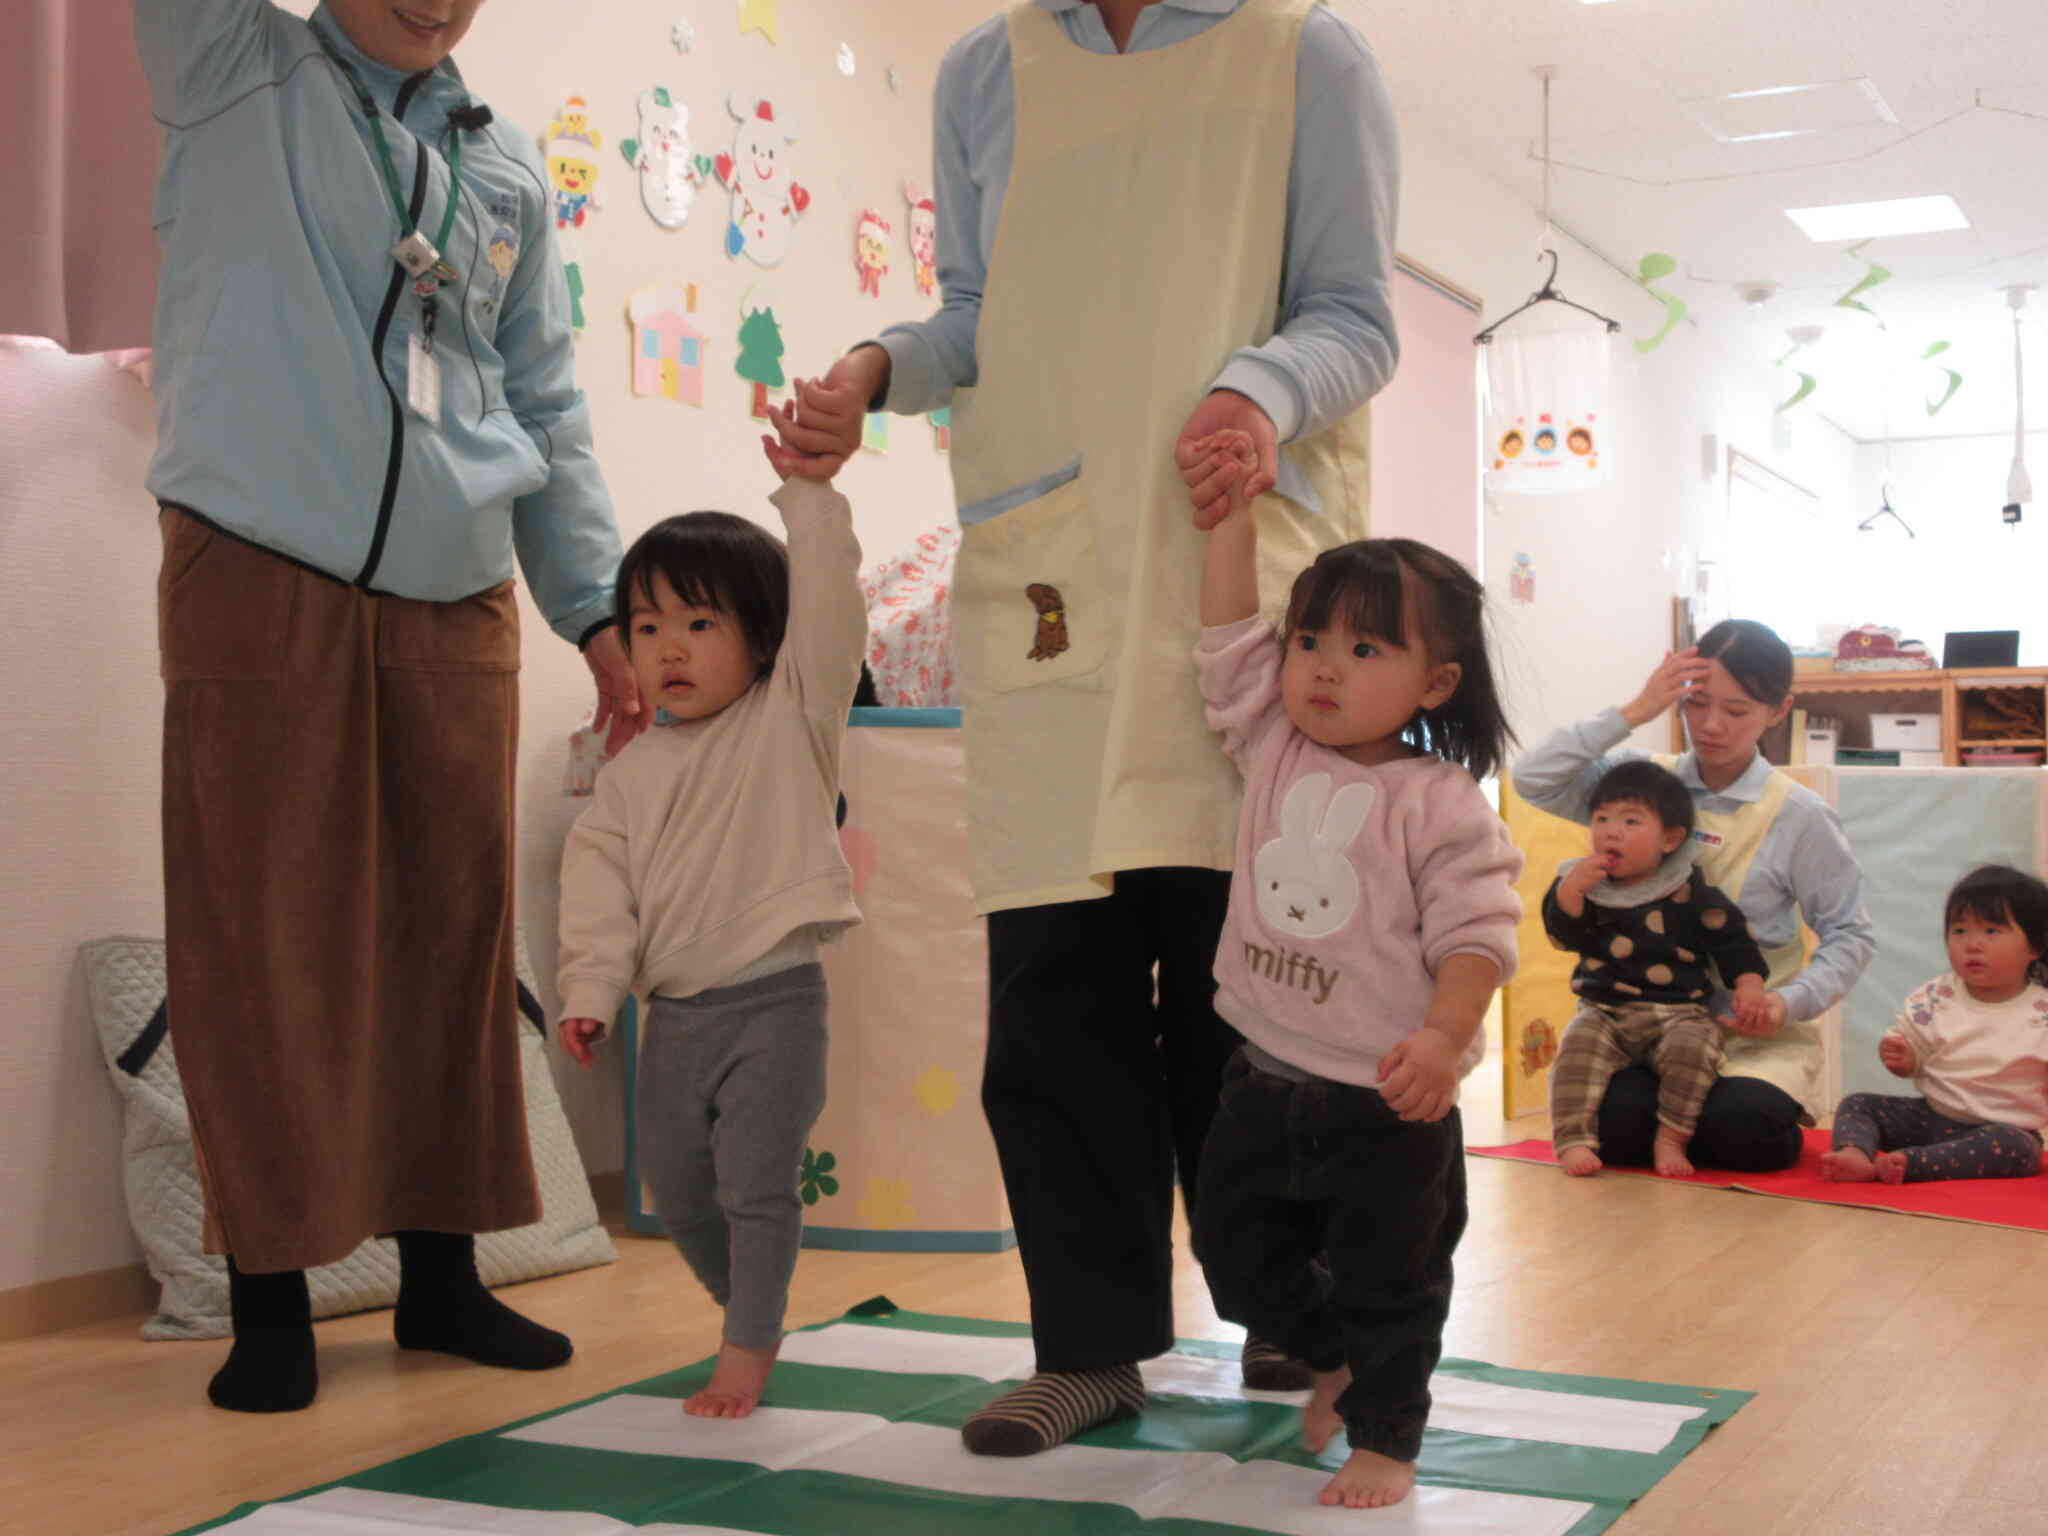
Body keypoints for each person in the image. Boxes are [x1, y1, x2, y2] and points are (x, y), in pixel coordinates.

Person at [770, 0, 1402, 1451]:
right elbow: (977, 322)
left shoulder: (1306, 55)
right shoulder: (985, 70)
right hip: (1051, 576)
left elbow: (1355, 318)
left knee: (1264, 1003)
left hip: (1235, 565)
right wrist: (877, 372)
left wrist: (1260, 385)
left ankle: (1297, 1318)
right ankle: (1089, 1345)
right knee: (1056, 998)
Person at [135, 0, 641, 1412]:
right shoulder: (228, 64)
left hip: (458, 576)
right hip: (255, 557)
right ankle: (273, 1296)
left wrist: (596, 614)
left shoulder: (507, 169)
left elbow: (544, 399)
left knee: (454, 925)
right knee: (261, 926)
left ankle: (442, 1275)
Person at [1186, 471, 1522, 1510]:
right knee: (1229, 1255)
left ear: (1433, 684)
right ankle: (1326, 1358)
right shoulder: (1269, 742)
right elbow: (1224, 632)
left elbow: (1477, 935)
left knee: (1393, 1279)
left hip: (1386, 1098)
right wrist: (1230, 520)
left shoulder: (1438, 802)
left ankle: (1385, 1435)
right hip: (1258, 1074)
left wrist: (1441, 1037)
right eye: (1309, 642)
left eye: (1364, 650)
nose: (1323, 670)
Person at [556, 390, 867, 1419]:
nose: (670, 648)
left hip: (775, 1003)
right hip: (674, 1016)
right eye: (647, 627)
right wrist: (590, 990)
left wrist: (809, 499)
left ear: (764, 639)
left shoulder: (792, 717)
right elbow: (596, 895)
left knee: (752, 1183)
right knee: (677, 1192)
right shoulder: (628, 776)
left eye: (699, 623)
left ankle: (745, 1347)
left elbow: (829, 606)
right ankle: (755, 1311)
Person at [1512, 621, 1874, 1173]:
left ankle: (1745, 1122)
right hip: (1642, 1029)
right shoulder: (1641, 786)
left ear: (1779, 711)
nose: (1710, 725)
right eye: (1696, 702)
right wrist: (1635, 710)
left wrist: (1787, 1003)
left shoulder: (1799, 816)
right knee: (1612, 1125)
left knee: (1741, 1127)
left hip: (1747, 1039)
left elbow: (1851, 933)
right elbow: (1532, 777)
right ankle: (1674, 1131)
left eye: (1737, 711)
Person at [1542, 760, 1770, 1178]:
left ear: (1670, 839)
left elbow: (1733, 940)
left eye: (1631, 821)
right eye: (1602, 819)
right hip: (1603, 1009)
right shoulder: (1587, 885)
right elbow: (1565, 934)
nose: (1611, 831)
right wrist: (1571, 891)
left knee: (1695, 1047)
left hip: (1678, 1011)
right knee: (1575, 1050)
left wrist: (1750, 984)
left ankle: (1671, 1137)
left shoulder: (1688, 890)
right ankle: (1572, 1139)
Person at [1824, 866, 2048, 1185]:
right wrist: (1906, 1059)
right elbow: (1914, 1059)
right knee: (1857, 1103)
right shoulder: (1935, 996)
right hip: (1928, 1119)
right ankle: (1855, 1154)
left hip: (2001, 1132)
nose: (1972, 944)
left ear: (2035, 946)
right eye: (1959, 931)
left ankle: (1914, 1164)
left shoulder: (2041, 1012)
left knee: (2019, 1149)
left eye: (1991, 931)